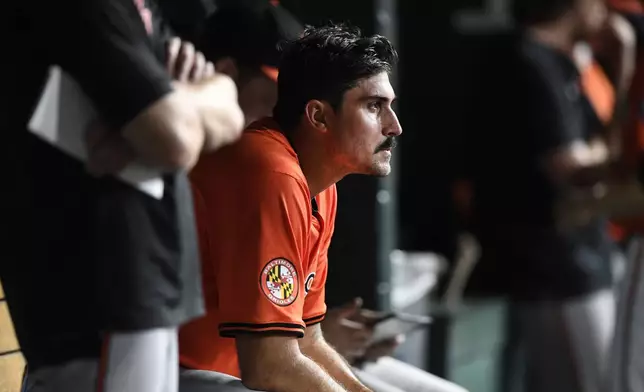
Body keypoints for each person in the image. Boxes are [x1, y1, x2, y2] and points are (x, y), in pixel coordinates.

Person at [3, 0, 244, 391]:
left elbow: (228, 105)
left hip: (144, 288)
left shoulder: (141, 9)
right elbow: (174, 139)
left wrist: (180, 102)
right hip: (99, 294)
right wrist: (180, 111)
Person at [179, 23, 402, 391]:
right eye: (374, 106)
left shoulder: (321, 184)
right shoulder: (269, 170)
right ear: (318, 117)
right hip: (160, 368)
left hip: (222, 372)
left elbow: (307, 341)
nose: (394, 126)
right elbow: (269, 366)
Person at [463, 0, 621, 391]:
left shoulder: (566, 61)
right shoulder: (527, 60)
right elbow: (571, 166)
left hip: (582, 252)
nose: (605, 11)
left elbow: (601, 148)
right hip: (556, 262)